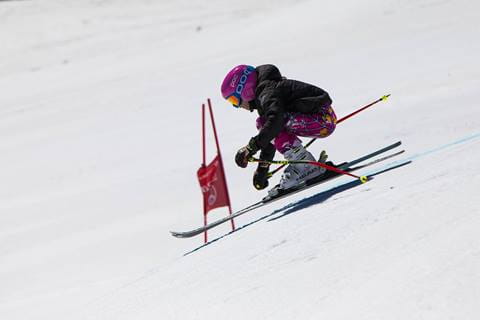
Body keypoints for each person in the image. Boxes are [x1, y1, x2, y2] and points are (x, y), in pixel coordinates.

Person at [221, 64, 337, 196]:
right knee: (265, 123)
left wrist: (251, 147)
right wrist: (262, 170)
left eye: (234, 100)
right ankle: (303, 163)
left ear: (245, 90)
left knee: (271, 123)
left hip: (322, 120)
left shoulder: (267, 92)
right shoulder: (266, 91)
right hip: (323, 119)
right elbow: (271, 134)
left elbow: (275, 124)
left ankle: (306, 166)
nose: (237, 106)